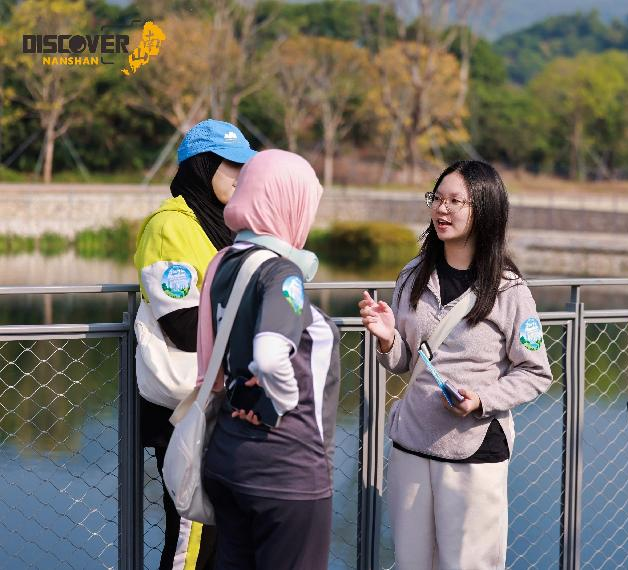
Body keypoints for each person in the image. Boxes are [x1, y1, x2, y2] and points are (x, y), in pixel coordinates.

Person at [359, 160, 553, 570]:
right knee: (412, 563)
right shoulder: (413, 275)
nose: (441, 209)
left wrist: (481, 399)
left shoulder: (509, 289)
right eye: (437, 198)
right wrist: (387, 337)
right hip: (412, 445)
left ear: (483, 209)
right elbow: (404, 362)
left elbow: (536, 371)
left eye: (455, 201)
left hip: (474, 449)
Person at [199, 149, 340, 570]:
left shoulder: (224, 261)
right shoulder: (281, 272)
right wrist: (280, 404)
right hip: (286, 471)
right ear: (288, 201)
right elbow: (269, 353)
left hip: (228, 457)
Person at [134, 119, 256, 570]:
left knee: (224, 540)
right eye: (233, 166)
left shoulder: (227, 225)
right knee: (192, 541)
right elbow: (182, 327)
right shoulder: (171, 225)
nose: (243, 176)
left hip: (223, 402)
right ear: (203, 167)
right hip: (186, 411)